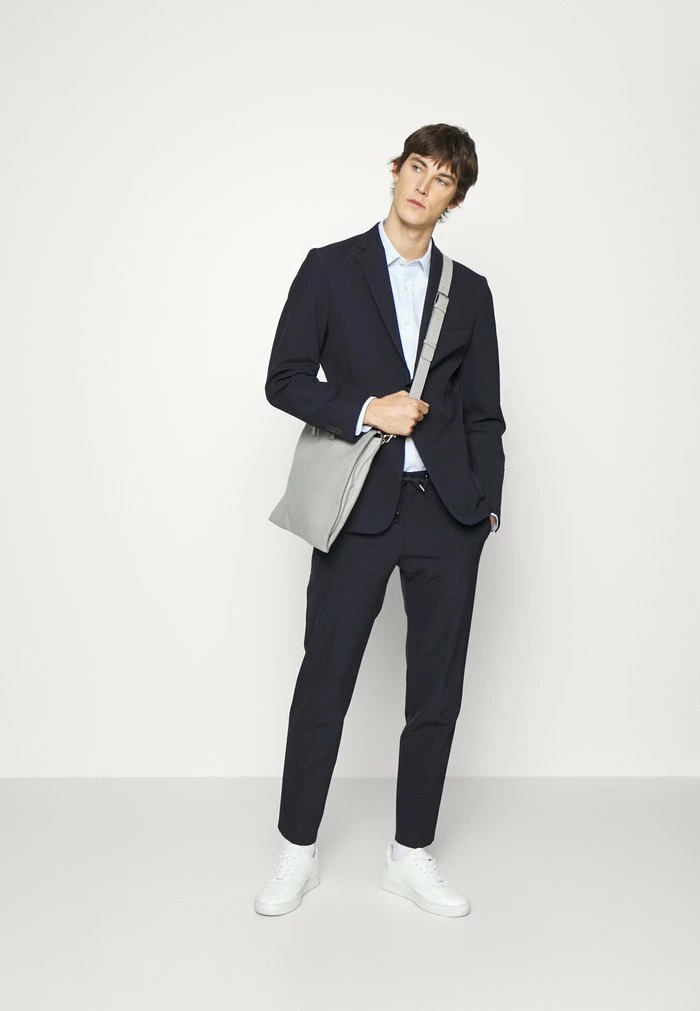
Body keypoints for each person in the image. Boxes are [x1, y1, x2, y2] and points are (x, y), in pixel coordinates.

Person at [254, 123, 506, 918]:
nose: (423, 185)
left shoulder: (470, 292)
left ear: (454, 199)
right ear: (396, 171)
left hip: (446, 518)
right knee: (324, 681)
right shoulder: (331, 268)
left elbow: (485, 413)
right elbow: (285, 378)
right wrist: (368, 408)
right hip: (359, 507)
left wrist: (486, 507)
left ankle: (411, 854)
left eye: (442, 179)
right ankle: (297, 850)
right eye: (417, 167)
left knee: (436, 693)